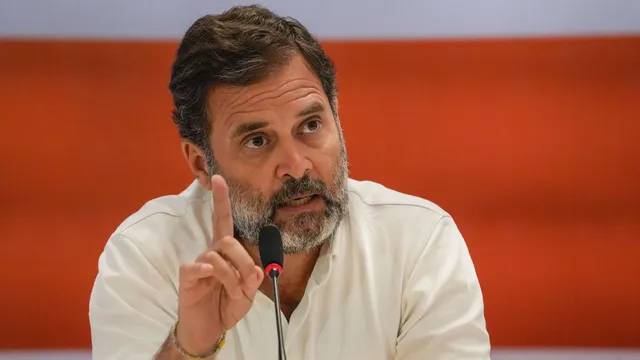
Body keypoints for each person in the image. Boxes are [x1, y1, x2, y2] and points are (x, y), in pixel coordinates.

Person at [88, 4, 491, 359]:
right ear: (199, 163)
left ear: (337, 118)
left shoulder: (417, 244)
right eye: (258, 140)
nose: (297, 167)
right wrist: (190, 349)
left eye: (311, 125)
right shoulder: (145, 259)